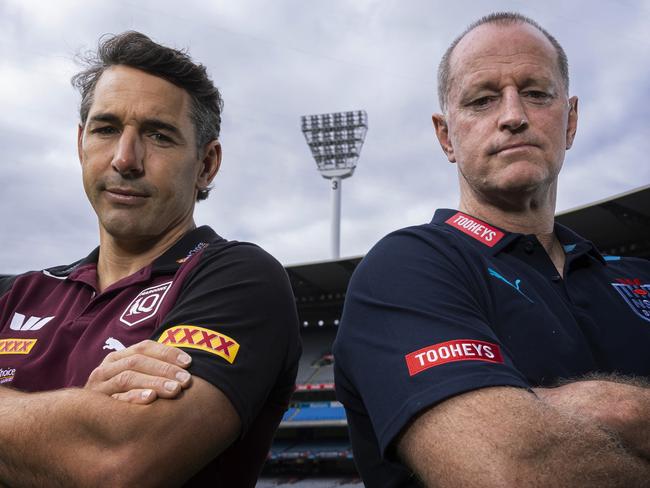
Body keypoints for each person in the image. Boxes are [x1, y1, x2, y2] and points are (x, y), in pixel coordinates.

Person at [333, 12, 650, 487]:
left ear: (571, 121)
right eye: (482, 100)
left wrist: (531, 405)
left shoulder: (640, 277)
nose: (513, 116)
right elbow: (512, 472)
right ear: (446, 137)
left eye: (537, 93)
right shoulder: (406, 268)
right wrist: (628, 407)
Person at [0, 31, 300, 486]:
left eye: (158, 136)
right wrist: (84, 408)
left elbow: (114, 460)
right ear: (80, 143)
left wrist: (64, 426)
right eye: (106, 129)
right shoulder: (15, 294)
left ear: (206, 164)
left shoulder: (239, 279)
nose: (125, 159)